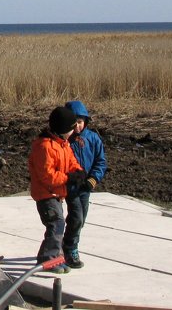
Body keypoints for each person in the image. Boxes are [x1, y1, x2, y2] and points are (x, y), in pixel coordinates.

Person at [28, 105, 85, 274]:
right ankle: (48, 259)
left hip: (57, 194)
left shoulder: (63, 144)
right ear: (62, 129)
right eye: (71, 129)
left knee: (57, 225)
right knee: (56, 223)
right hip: (45, 194)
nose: (73, 132)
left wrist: (78, 171)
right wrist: (68, 179)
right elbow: (47, 176)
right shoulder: (44, 147)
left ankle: (54, 256)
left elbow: (71, 161)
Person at [62, 99, 107, 269]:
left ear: (85, 122)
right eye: (74, 124)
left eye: (80, 122)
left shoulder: (93, 139)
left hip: (85, 187)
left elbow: (100, 162)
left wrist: (93, 179)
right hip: (70, 187)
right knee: (76, 217)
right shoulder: (65, 141)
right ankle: (70, 248)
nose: (77, 127)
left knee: (81, 219)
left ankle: (70, 243)